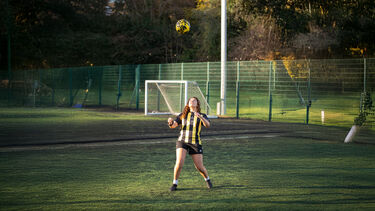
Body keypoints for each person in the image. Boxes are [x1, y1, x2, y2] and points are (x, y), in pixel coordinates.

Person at [167, 97, 212, 191]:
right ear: (188, 104)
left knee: (199, 167)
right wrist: (170, 122)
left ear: (197, 104)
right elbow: (173, 126)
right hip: (182, 141)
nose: (192, 101)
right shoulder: (182, 115)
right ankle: (174, 183)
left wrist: (199, 116)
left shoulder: (202, 115)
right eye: (190, 100)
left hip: (195, 142)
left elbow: (207, 125)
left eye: (194, 100)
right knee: (179, 162)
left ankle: (207, 179)